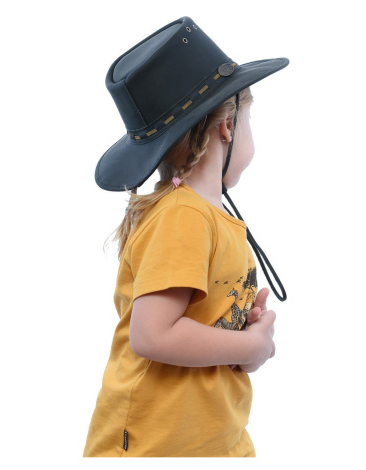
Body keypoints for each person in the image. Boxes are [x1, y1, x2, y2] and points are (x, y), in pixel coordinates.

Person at [83, 16, 289, 457]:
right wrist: (250, 343)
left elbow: (198, 326)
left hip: (215, 441)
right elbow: (153, 335)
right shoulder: (183, 217)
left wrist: (244, 342)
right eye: (249, 120)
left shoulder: (202, 216)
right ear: (227, 126)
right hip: (156, 447)